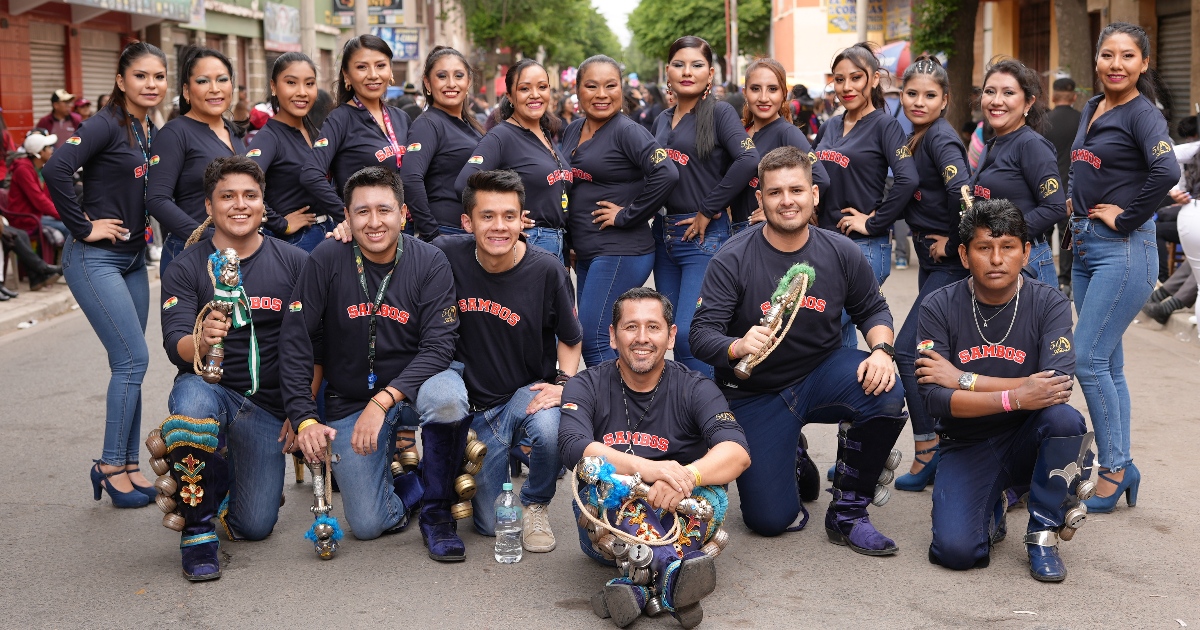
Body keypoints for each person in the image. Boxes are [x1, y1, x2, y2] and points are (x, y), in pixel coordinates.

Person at [690, 146, 908, 555]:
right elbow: (700, 334)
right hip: (755, 393)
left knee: (886, 389)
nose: (786, 201)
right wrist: (736, 346)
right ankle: (793, 456)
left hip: (819, 373)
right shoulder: (732, 257)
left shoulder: (841, 252)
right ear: (760, 200)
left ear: (814, 195)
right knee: (769, 522)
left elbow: (873, 309)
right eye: (775, 193)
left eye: (796, 190)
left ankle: (849, 512)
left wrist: (881, 351)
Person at [281, 166, 473, 561]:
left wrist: (383, 401)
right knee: (367, 525)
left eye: (384, 210)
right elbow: (297, 338)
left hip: (418, 388)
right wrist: (303, 416)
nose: (374, 222)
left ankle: (438, 513)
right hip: (351, 397)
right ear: (346, 218)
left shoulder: (430, 260)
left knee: (449, 397)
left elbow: (439, 346)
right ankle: (419, 484)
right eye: (362, 212)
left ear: (404, 214)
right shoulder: (326, 258)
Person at [916, 198, 1090, 581]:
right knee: (956, 551)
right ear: (964, 255)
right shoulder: (937, 306)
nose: (996, 259)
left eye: (1007, 247)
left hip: (1030, 435)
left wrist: (963, 378)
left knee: (1064, 419)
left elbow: (1056, 386)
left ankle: (1043, 533)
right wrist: (1019, 394)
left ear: (1026, 252)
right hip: (967, 442)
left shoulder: (1050, 303)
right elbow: (935, 399)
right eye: (983, 248)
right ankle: (993, 503)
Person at [559, 287, 751, 629]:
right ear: (613, 337)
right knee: (606, 485)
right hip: (608, 524)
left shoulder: (696, 387)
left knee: (712, 498)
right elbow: (573, 445)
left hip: (682, 504)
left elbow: (736, 451)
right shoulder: (585, 385)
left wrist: (687, 477)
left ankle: (637, 590)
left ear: (671, 335)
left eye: (653, 327)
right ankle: (673, 578)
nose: (642, 338)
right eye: (631, 327)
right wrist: (649, 471)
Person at [154, 156, 308, 580]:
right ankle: (198, 534)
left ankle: (216, 477)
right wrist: (201, 340)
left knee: (254, 527)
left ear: (263, 204)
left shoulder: (295, 262)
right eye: (227, 197)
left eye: (250, 196)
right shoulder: (186, 267)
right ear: (209, 206)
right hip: (214, 390)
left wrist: (303, 412)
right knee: (191, 396)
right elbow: (175, 343)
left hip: (270, 409)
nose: (239, 205)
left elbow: (315, 344)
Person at [43, 42, 167, 507]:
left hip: (134, 258)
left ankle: (130, 466)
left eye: (158, 76)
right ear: (120, 80)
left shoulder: (146, 127)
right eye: (140, 76)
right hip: (96, 259)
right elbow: (56, 169)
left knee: (130, 366)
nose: (150, 84)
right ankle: (109, 465)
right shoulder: (105, 124)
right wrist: (83, 226)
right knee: (133, 360)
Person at [433, 169, 583, 552]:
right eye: (487, 216)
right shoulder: (445, 254)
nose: (499, 227)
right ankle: (457, 467)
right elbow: (387, 245)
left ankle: (536, 503)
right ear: (468, 222)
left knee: (550, 430)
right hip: (472, 409)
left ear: (522, 220)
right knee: (489, 527)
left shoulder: (547, 269)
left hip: (523, 395)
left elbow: (571, 338)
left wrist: (562, 383)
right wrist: (344, 230)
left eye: (509, 216)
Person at [1068, 23, 1181, 514]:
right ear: (1097, 60)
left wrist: (1129, 214)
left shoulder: (1142, 114)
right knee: (1107, 362)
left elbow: (1168, 170)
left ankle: (1113, 467)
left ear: (1143, 64)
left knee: (1086, 359)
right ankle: (1123, 465)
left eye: (1127, 56)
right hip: (1085, 250)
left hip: (1125, 248)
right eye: (1108, 55)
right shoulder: (1093, 107)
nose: (1116, 64)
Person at [560, 55, 678, 369]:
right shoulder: (573, 129)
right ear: (578, 89)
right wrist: (571, 240)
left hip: (620, 251)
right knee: (596, 341)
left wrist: (627, 215)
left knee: (595, 339)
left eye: (611, 86)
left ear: (622, 89)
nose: (602, 94)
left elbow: (666, 172)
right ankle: (623, 411)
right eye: (592, 86)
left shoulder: (628, 131)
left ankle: (620, 414)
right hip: (587, 253)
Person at [889, 56, 973, 492]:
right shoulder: (915, 135)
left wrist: (955, 241)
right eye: (911, 93)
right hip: (932, 263)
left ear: (945, 100)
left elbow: (966, 196)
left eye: (929, 95)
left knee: (908, 353)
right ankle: (949, 447)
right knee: (941, 357)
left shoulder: (941, 139)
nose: (918, 102)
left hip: (950, 265)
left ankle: (928, 449)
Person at [652, 36, 759, 377]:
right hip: (663, 239)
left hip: (703, 238)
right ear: (667, 72)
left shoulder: (720, 112)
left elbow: (748, 159)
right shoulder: (660, 119)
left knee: (689, 336)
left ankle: (712, 421)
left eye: (697, 65)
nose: (687, 72)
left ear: (710, 74)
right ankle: (687, 419)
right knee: (670, 336)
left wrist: (708, 209)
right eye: (679, 64)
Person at [814, 42, 918, 347]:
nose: (846, 87)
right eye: (839, 79)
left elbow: (908, 179)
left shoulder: (885, 126)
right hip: (825, 245)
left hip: (864, 248)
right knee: (837, 340)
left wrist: (874, 222)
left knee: (824, 326)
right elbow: (810, 173)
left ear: (874, 79)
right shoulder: (830, 126)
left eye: (856, 78)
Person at [454, 59, 570, 263]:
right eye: (525, 88)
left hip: (557, 243)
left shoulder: (544, 132)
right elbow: (464, 183)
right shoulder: (501, 136)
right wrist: (507, 216)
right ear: (510, 96)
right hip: (530, 241)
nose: (535, 94)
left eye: (542, 87)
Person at [147, 47, 249, 270]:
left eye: (222, 80)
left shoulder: (234, 132)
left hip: (236, 252)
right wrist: (207, 237)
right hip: (191, 253)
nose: (215, 89)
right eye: (203, 81)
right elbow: (156, 199)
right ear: (186, 90)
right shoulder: (174, 133)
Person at [970, 58, 1066, 288]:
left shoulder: (1031, 145)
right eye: (990, 91)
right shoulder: (993, 143)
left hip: (1026, 265)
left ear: (1028, 103)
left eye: (1008, 93)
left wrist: (1006, 235)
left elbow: (1055, 206)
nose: (996, 101)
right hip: (995, 263)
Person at [300, 35, 411, 234]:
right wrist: (348, 215)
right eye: (362, 67)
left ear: (390, 71)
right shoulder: (340, 119)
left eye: (380, 65)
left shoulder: (401, 118)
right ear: (347, 75)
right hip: (367, 233)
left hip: (404, 230)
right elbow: (311, 174)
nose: (373, 75)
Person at [733, 57, 829, 234]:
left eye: (772, 89)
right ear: (745, 92)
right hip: (735, 233)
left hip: (766, 232)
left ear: (784, 93)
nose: (763, 97)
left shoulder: (786, 132)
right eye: (755, 89)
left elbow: (821, 179)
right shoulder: (741, 130)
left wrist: (782, 212)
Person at [401, 46, 485, 239]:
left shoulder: (471, 124)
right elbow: (410, 178)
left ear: (468, 82)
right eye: (441, 76)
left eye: (458, 76)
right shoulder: (428, 124)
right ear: (427, 83)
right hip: (448, 232)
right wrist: (433, 234)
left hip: (472, 232)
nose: (451, 84)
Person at [246, 52, 327, 252]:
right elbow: (243, 185)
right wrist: (280, 223)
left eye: (309, 84)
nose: (302, 92)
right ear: (274, 87)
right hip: (294, 242)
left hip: (326, 233)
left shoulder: (314, 132)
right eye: (291, 83)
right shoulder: (269, 137)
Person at [1044, 77, 1081, 294]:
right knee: (1068, 234)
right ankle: (1066, 281)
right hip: (1072, 189)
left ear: (1053, 97)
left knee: (1045, 233)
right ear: (1074, 97)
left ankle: (1047, 278)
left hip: (1047, 187)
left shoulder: (1044, 122)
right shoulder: (1083, 121)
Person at [6, 131, 68, 246]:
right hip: (26, 220)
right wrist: (63, 215)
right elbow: (39, 200)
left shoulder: (39, 169)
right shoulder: (23, 170)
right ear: (40, 152)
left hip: (37, 216)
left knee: (70, 224)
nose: (52, 150)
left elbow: (48, 197)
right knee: (68, 227)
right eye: (48, 147)